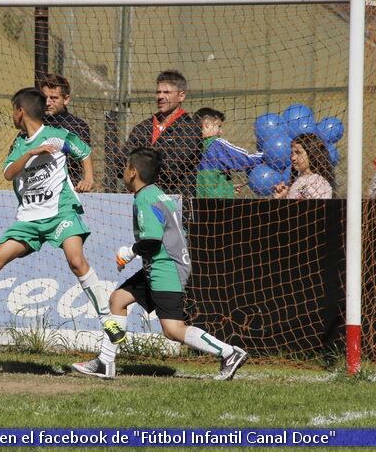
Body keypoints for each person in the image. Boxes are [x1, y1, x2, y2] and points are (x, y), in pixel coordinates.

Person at [0, 88, 123, 345]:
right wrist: (30, 154)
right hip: (30, 218)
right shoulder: (20, 144)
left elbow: (85, 152)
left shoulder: (57, 136)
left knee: (76, 261)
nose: (12, 115)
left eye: (13, 110)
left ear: (20, 112)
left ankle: (107, 320)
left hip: (61, 211)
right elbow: (9, 173)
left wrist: (88, 178)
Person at [72, 147, 248, 380]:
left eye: (125, 167)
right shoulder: (157, 194)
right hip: (162, 266)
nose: (123, 172)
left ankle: (229, 353)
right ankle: (106, 362)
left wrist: (129, 252)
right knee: (118, 299)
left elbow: (152, 242)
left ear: (133, 172)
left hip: (166, 269)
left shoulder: (145, 199)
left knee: (173, 330)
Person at [123, 70, 200, 199]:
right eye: (158, 92)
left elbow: (171, 169)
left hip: (174, 203)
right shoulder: (143, 127)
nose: (160, 97)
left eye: (167, 92)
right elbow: (121, 160)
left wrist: (138, 165)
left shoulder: (190, 129)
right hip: (138, 200)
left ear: (181, 96)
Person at [194, 107, 262, 198]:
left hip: (200, 203)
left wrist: (228, 188)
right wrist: (267, 155)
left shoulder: (193, 146)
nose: (221, 132)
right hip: (220, 205)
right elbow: (244, 159)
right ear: (207, 125)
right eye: (219, 126)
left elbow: (209, 182)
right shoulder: (216, 145)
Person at [38, 74, 92, 182]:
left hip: (67, 184)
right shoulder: (34, 123)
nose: (48, 103)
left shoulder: (77, 126)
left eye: (54, 98)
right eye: (44, 98)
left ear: (66, 99)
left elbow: (77, 159)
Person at [273, 133, 334, 200]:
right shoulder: (297, 180)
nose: (293, 158)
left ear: (312, 154)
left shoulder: (319, 182)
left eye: (298, 153)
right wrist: (284, 197)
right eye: (292, 153)